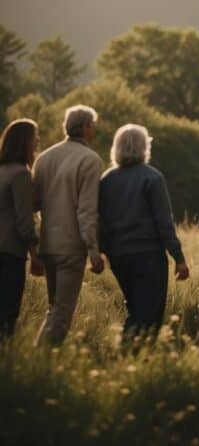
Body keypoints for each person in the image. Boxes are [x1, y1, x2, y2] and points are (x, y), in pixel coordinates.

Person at [99, 124, 190, 344]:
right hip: (148, 255)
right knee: (150, 313)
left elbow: (99, 219)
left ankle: (130, 354)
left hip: (118, 256)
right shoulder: (153, 178)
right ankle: (132, 354)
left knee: (135, 306)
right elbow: (163, 222)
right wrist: (178, 257)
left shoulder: (107, 179)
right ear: (143, 147)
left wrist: (103, 250)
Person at [32, 105, 105, 346]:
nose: (94, 130)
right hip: (71, 247)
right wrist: (93, 250)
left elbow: (33, 204)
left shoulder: (44, 158)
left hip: (47, 246)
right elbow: (86, 210)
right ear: (85, 127)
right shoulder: (90, 160)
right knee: (62, 313)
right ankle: (40, 363)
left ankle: (38, 360)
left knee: (53, 309)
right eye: (92, 125)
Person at [0, 119, 41, 339]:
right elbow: (24, 221)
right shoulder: (21, 174)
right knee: (7, 315)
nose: (38, 141)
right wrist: (35, 255)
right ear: (24, 142)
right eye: (35, 137)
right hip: (9, 253)